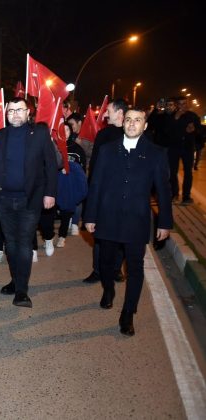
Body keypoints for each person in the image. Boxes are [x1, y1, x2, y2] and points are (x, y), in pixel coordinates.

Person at [85, 109, 172, 336]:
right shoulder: (107, 151)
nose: (132, 124)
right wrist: (90, 216)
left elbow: (163, 191)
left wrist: (165, 222)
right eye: (129, 120)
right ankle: (109, 290)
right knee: (105, 262)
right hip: (108, 218)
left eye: (138, 120)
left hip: (136, 220)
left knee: (135, 268)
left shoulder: (156, 153)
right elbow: (95, 184)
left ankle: (128, 313)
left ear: (145, 126)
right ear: (123, 123)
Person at [0, 98, 58, 308]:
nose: (15, 114)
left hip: (30, 199)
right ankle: (16, 280)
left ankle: (22, 291)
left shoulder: (40, 134)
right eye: (11, 110)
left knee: (24, 243)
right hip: (4, 200)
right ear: (6, 114)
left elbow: (51, 165)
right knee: (11, 243)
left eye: (20, 110)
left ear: (28, 113)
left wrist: (50, 193)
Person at [84, 98, 128, 284]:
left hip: (125, 195)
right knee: (100, 235)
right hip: (104, 194)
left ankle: (116, 269)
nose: (104, 114)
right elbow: (94, 165)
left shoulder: (132, 134)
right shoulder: (103, 134)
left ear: (119, 113)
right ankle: (98, 270)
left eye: (108, 110)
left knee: (122, 234)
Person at [167, 96, 201, 205]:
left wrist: (194, 130)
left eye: (184, 103)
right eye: (180, 104)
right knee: (172, 172)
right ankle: (174, 194)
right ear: (176, 105)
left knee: (188, 173)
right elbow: (167, 130)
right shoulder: (171, 116)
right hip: (173, 148)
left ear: (188, 104)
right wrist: (176, 118)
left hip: (187, 148)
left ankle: (186, 197)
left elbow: (199, 131)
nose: (182, 106)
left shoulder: (193, 116)